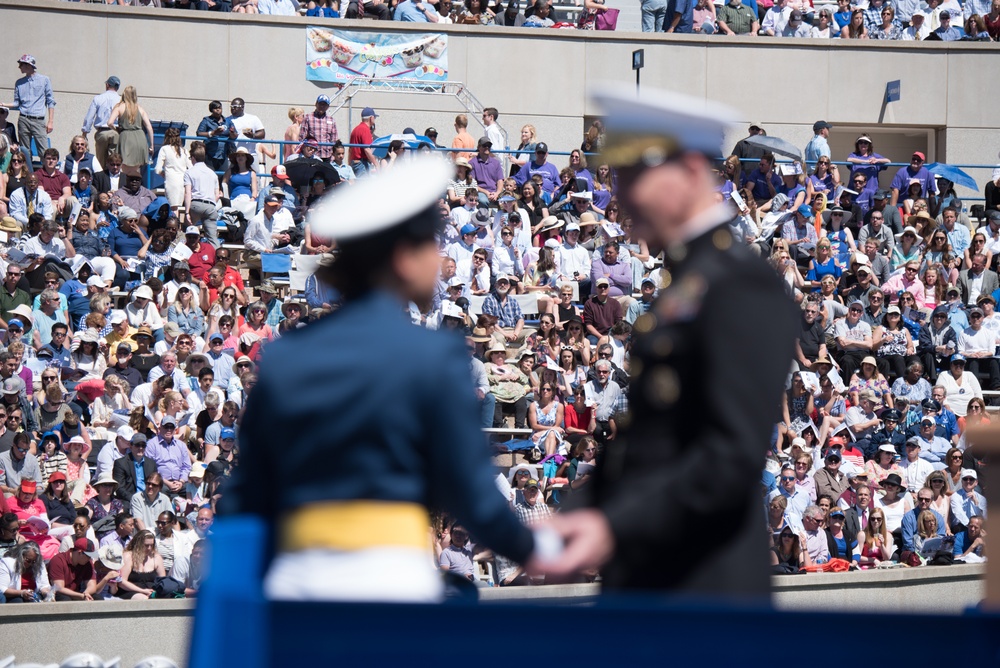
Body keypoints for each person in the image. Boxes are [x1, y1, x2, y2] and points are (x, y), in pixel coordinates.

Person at [228, 155, 539, 602]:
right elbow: (472, 493)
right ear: (402, 257)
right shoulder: (434, 356)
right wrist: (535, 547)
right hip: (391, 583)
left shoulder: (285, 357)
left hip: (295, 588)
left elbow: (250, 494)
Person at [542, 87, 796, 596]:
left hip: (704, 587)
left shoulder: (739, 284)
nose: (624, 197)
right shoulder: (687, 281)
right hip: (648, 578)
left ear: (690, 172)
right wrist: (573, 515)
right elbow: (648, 443)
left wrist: (612, 525)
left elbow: (728, 457)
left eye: (637, 177)